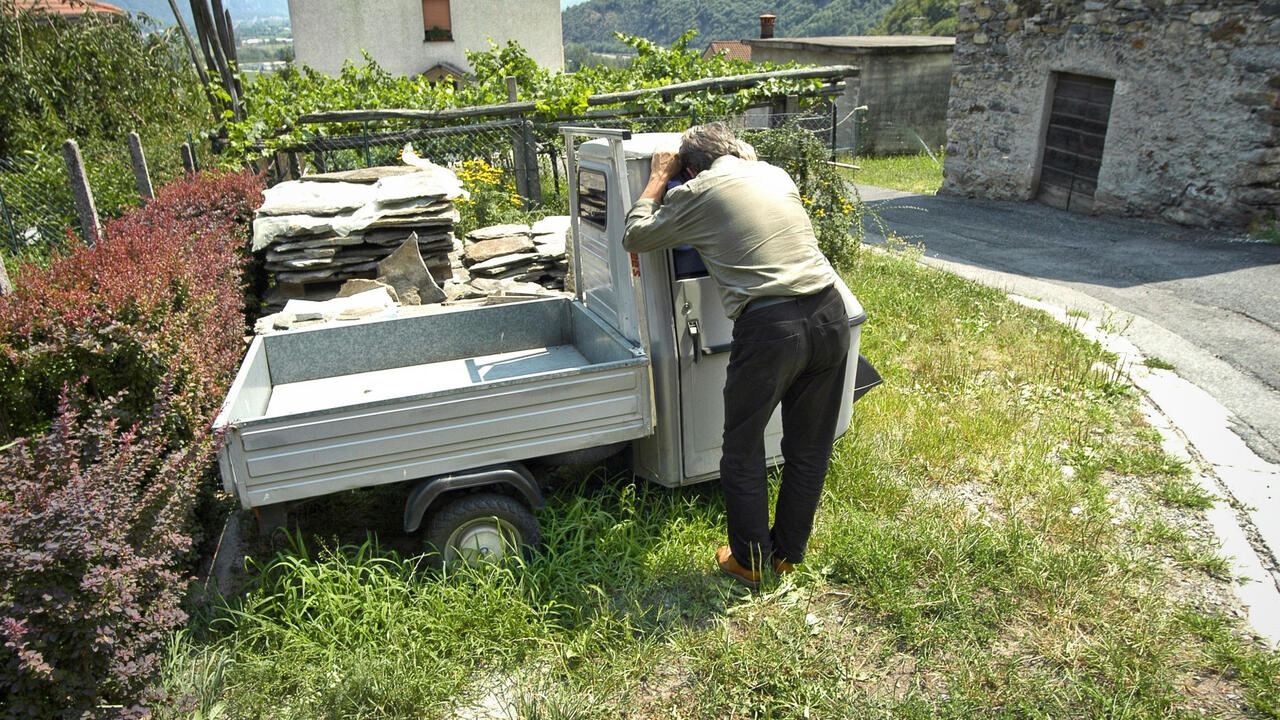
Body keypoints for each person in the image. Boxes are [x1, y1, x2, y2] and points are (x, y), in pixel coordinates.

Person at [623, 122, 851, 588]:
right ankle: (786, 556)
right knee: (808, 446)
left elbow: (636, 235)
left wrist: (657, 179)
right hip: (830, 313)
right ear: (739, 150)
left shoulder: (695, 191)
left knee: (742, 449)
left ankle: (748, 562)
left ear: (689, 168)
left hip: (770, 328)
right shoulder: (777, 174)